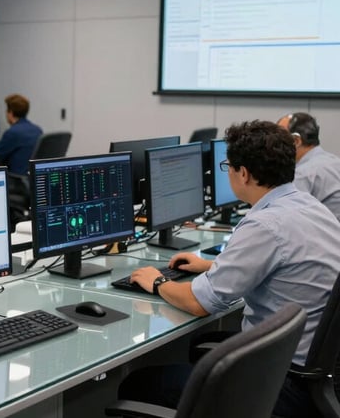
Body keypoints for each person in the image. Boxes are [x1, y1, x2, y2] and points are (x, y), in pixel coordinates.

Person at [124, 120, 340, 417]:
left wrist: (158, 281)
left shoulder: (264, 224)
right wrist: (212, 265)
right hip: (314, 372)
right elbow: (287, 263)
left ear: (244, 173)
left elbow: (199, 304)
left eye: (228, 166)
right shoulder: (310, 206)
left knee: (139, 382)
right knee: (201, 343)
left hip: (284, 382)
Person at [277, 112, 340, 222]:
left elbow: (288, 219)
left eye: (279, 138)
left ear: (296, 141)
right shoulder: (334, 161)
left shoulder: (302, 174)